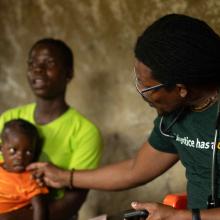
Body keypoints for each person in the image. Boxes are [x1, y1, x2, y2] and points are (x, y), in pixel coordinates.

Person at [27, 14, 220, 219]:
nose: (141, 92)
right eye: (138, 80)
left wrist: (182, 216)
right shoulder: (175, 116)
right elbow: (135, 170)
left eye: (147, 87)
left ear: (181, 89)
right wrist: (65, 177)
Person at [0, 38, 103, 220]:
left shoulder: (85, 132)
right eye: (32, 63)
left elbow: (71, 203)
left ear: (68, 73)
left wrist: (9, 218)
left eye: (48, 63)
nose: (37, 69)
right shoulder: (8, 120)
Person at [0, 119, 48, 220]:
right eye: (13, 150)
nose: (20, 157)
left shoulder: (31, 178)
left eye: (28, 152)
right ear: (1, 149)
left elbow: (40, 209)